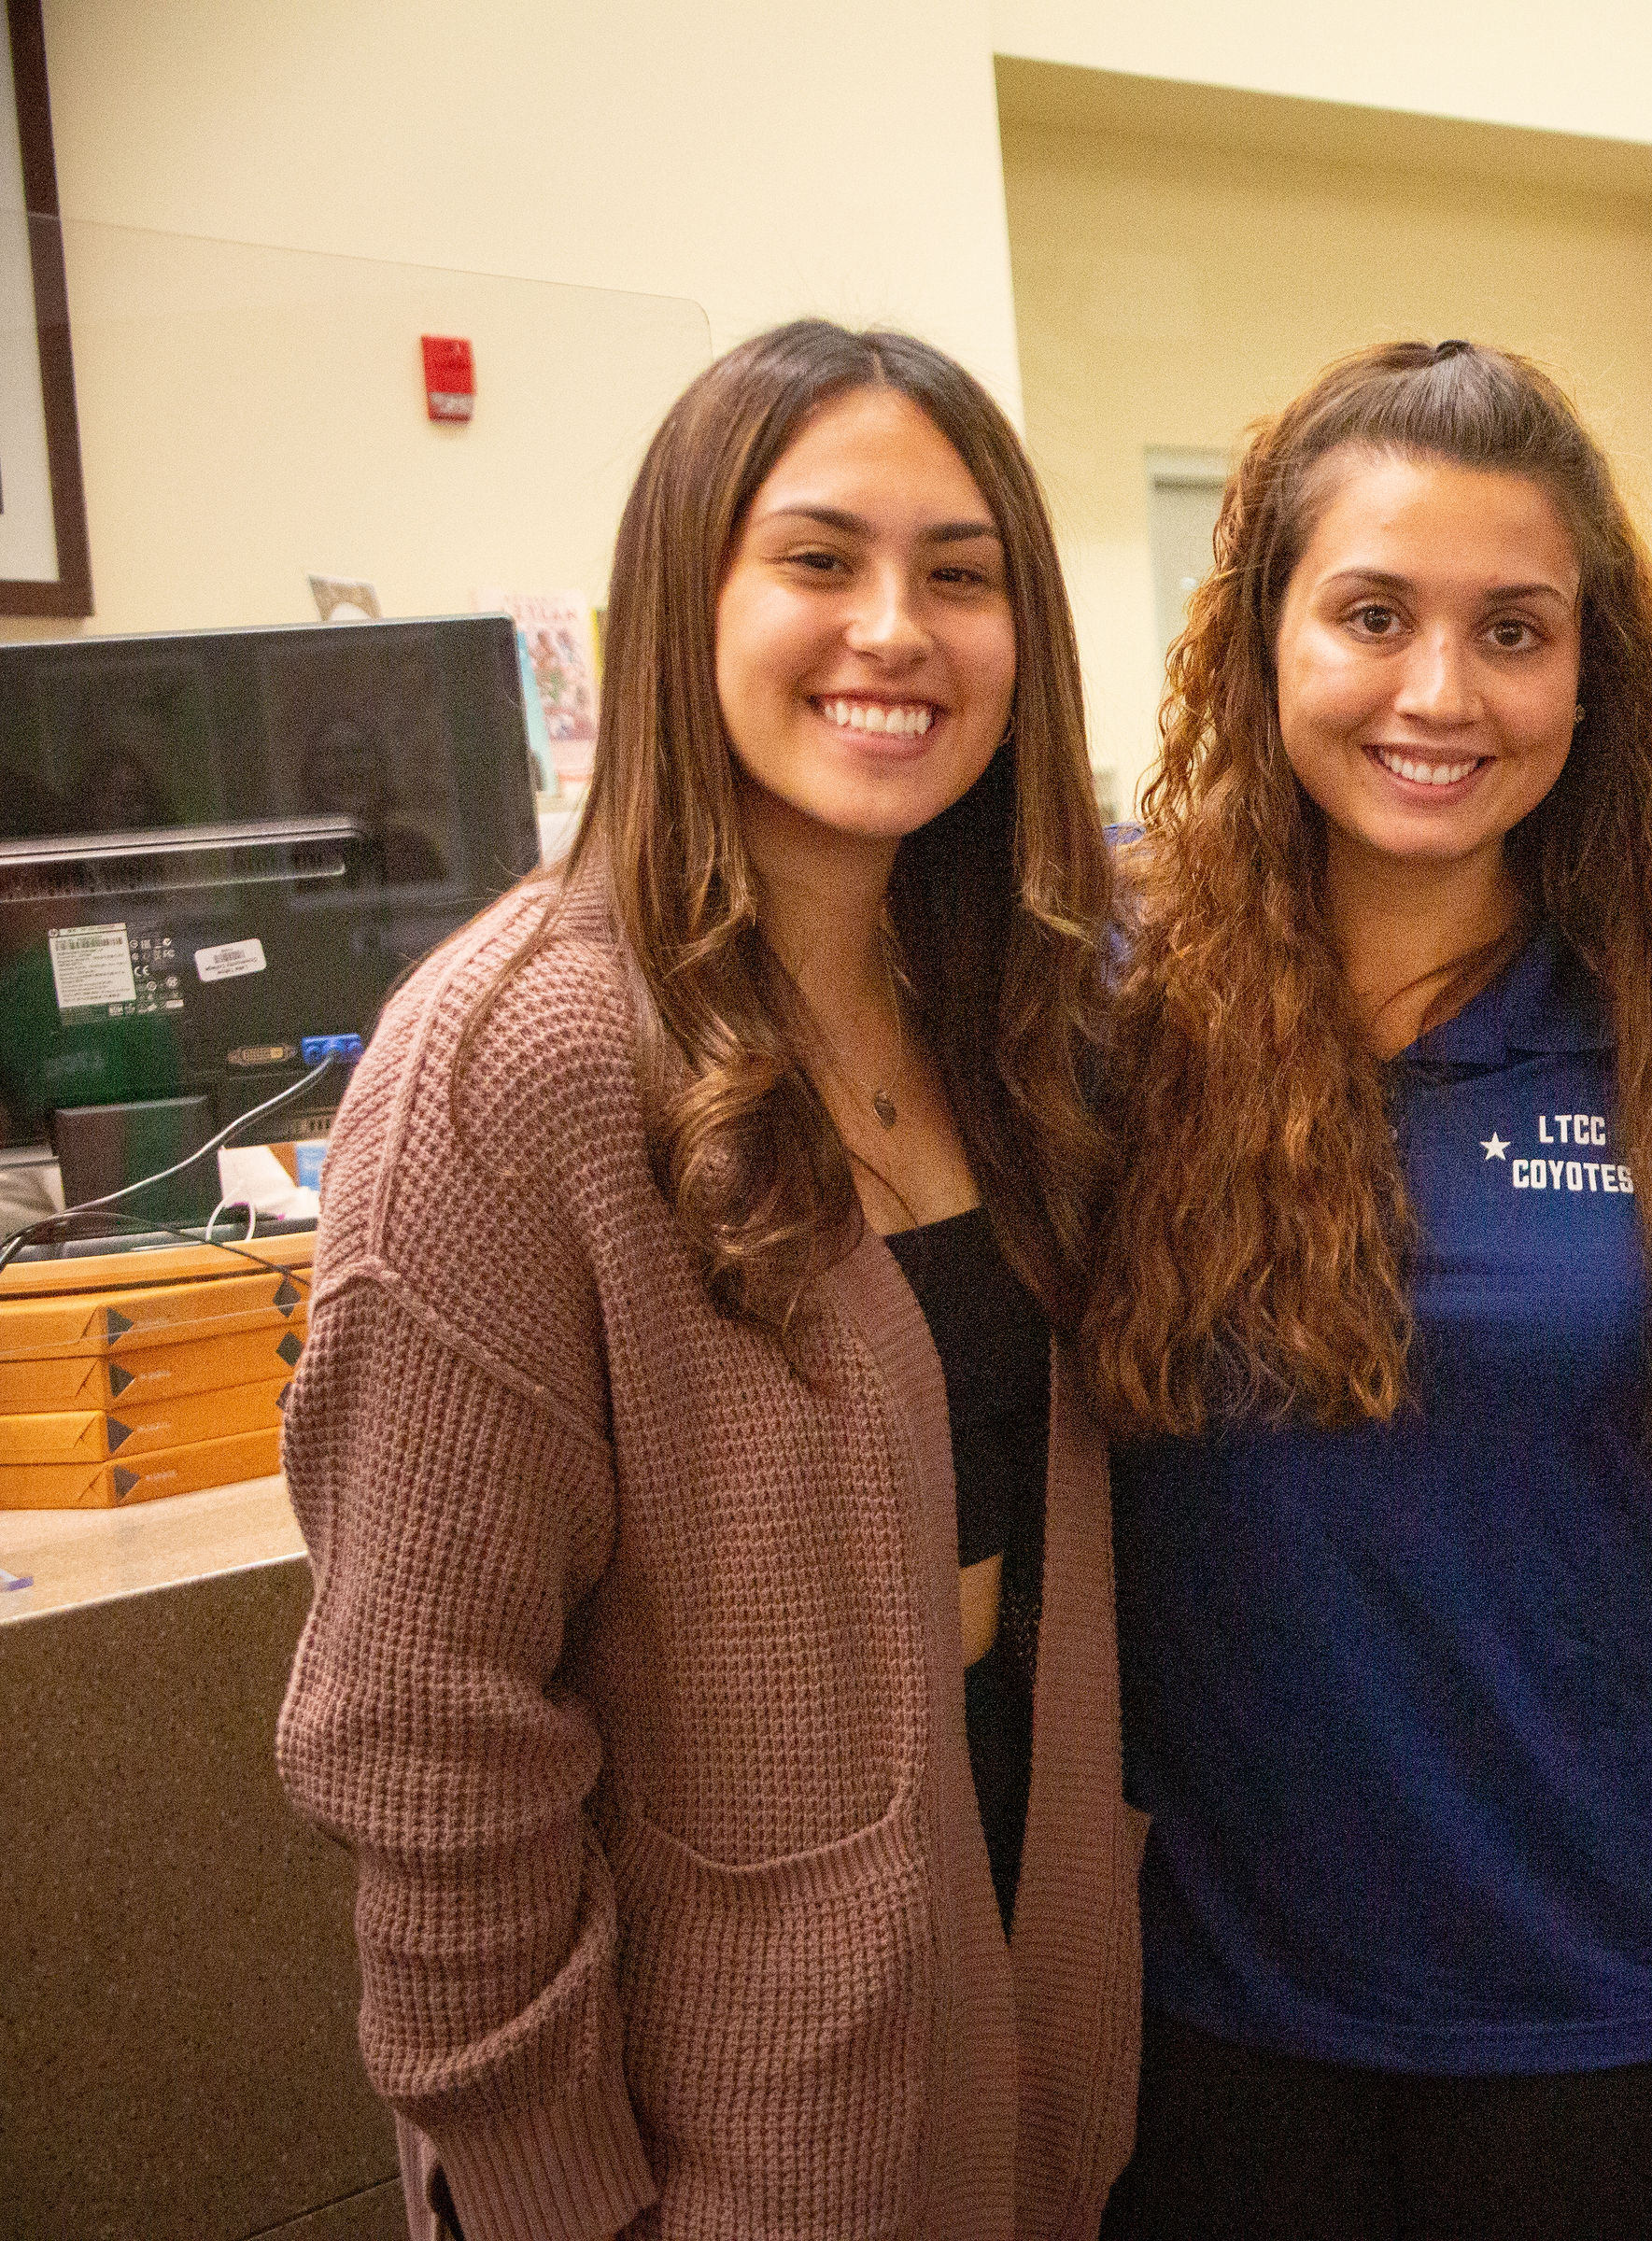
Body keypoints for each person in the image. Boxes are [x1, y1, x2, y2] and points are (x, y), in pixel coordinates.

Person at [276, 320, 1141, 2240]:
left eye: (961, 574)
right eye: (820, 561)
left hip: (1019, 2035)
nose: (895, 629)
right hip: (717, 2142)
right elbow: (426, 1747)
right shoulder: (520, 1063)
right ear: (690, 602)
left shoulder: (1018, 1015)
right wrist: (554, 2195)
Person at [1084, 339, 1652, 2241]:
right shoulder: (1107, 1013)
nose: (1438, 693)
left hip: (1609, 1973)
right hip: (1218, 1987)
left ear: (1590, 672)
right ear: (1264, 642)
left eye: (1513, 630)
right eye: (1373, 614)